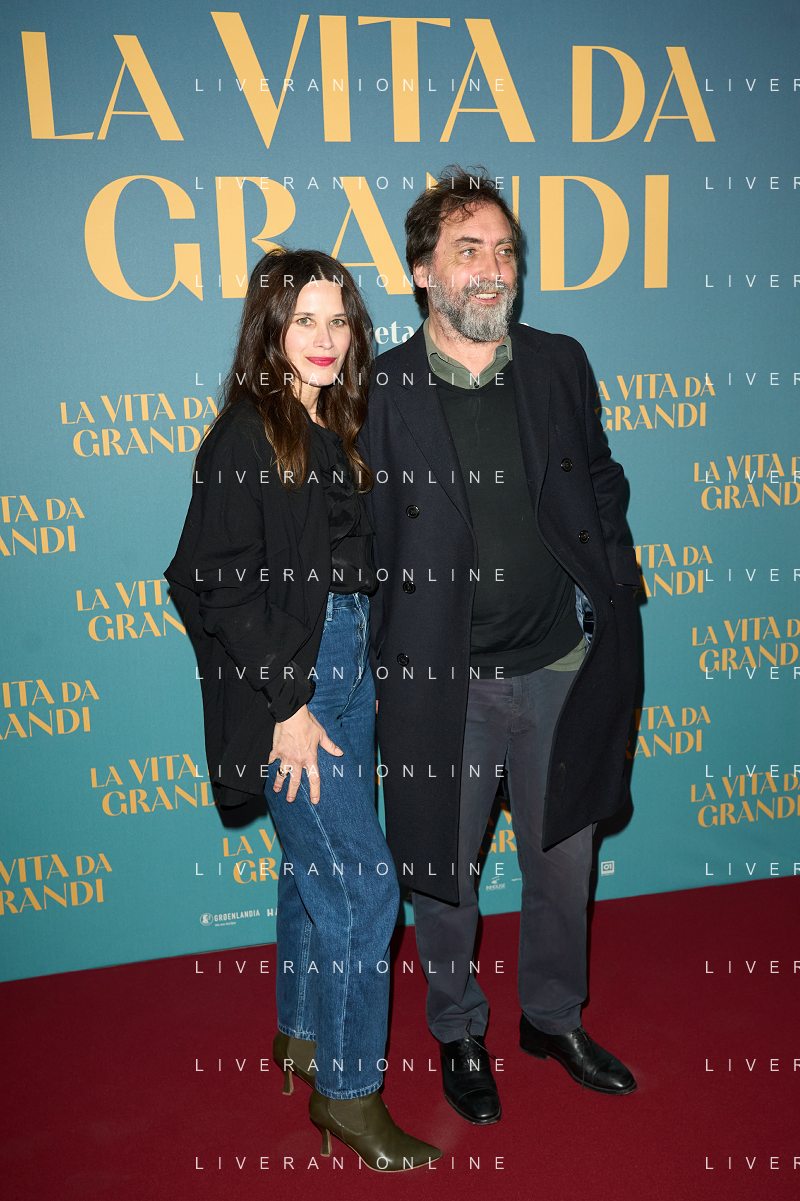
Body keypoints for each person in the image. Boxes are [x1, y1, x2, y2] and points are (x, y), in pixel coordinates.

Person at [359, 167, 640, 1125]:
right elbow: (360, 536)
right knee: (443, 872)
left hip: (560, 664)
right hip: (446, 685)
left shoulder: (558, 363)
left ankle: (552, 1018)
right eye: (468, 250)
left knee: (565, 861)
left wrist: (616, 582)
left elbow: (600, 477)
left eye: (505, 251)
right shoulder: (380, 389)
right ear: (422, 270)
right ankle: (459, 1030)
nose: (491, 270)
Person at [165, 249, 441, 1170]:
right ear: (270, 332)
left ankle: (302, 1035)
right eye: (303, 321)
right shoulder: (246, 436)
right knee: (364, 886)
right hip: (299, 680)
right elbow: (212, 579)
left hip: (350, 663)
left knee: (308, 867)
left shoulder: (335, 421)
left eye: (339, 319)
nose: (325, 339)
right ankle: (350, 1096)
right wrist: (285, 704)